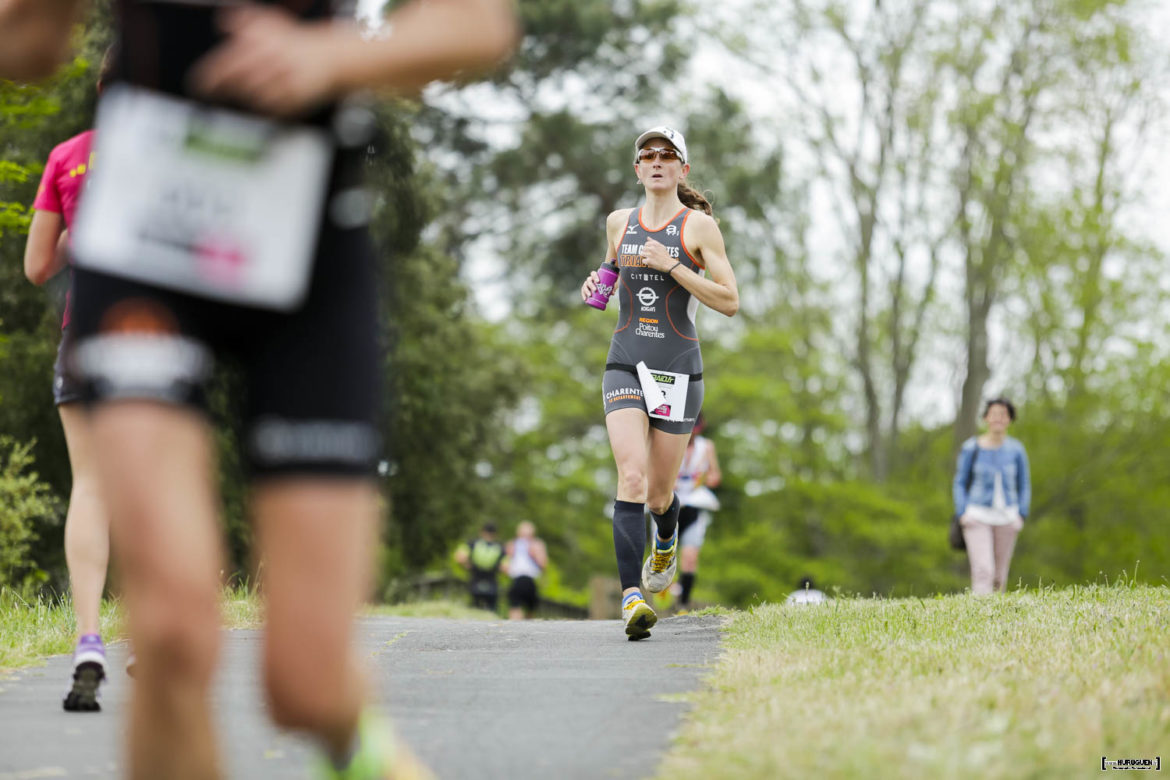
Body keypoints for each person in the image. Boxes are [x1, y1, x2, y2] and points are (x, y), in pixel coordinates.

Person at [1, 2, 517, 778]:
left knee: (305, 688)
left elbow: (479, 28)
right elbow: (31, 49)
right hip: (146, 245)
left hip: (306, 245)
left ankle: (370, 754)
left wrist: (330, 59)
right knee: (171, 633)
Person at [580, 126, 739, 640]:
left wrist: (672, 264)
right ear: (636, 169)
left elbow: (730, 301)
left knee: (658, 496)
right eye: (647, 155)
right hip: (625, 359)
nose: (655, 162)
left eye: (666, 156)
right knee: (631, 478)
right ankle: (632, 600)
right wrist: (595, 286)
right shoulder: (618, 223)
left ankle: (665, 536)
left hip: (677, 369)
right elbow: (608, 278)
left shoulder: (699, 228)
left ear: (682, 169)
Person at [23, 57, 110, 710]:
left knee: (90, 483)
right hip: (158, 337)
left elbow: (35, 267)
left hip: (84, 333)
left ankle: (89, 637)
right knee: (158, 481)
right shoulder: (175, 151)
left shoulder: (68, 156)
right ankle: (158, 638)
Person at [953, 397, 1031, 595]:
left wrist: (1021, 514)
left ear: (1009, 420)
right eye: (994, 414)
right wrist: (962, 512)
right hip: (977, 515)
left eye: (1003, 414)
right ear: (986, 418)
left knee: (999, 575)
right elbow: (960, 481)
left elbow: (1024, 483)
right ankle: (979, 616)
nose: (998, 418)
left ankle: (996, 620)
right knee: (983, 570)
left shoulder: (1016, 450)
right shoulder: (971, 448)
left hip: (1007, 517)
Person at [673, 413, 721, 613]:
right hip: (669, 504)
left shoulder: (706, 447)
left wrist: (709, 478)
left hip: (694, 504)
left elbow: (715, 475)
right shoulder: (671, 442)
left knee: (691, 556)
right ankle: (666, 587)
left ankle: (683, 603)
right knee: (665, 555)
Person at [453, 523, 505, 612]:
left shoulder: (473, 543)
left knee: (474, 608)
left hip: (475, 579)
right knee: (492, 609)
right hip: (492, 581)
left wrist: (467, 565)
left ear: (482, 532)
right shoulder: (500, 547)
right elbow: (505, 567)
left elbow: (459, 557)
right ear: (495, 534)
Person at [503, 520, 547, 620]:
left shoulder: (537, 545)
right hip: (517, 579)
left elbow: (543, 564)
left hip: (530, 580)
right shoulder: (512, 544)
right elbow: (505, 564)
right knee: (515, 606)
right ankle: (516, 628)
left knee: (530, 609)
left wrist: (535, 554)